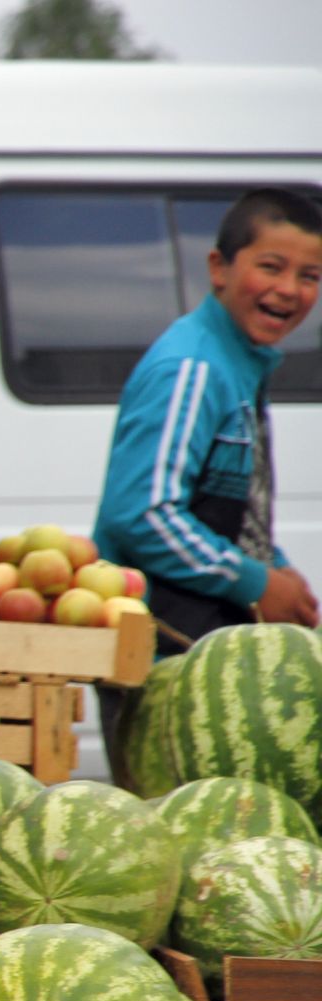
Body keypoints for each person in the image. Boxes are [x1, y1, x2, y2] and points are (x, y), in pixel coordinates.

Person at [94, 188, 322, 779]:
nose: (290, 290)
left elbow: (224, 504)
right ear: (220, 268)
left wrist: (277, 572)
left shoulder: (237, 365)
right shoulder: (193, 369)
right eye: (270, 267)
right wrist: (254, 580)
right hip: (162, 660)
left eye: (310, 275)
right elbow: (143, 513)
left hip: (197, 656)